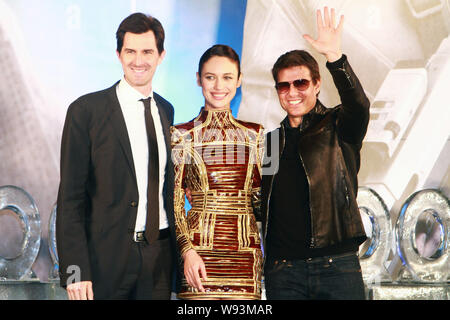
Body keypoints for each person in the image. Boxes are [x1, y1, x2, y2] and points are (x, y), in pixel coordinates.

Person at [56, 13, 177, 300]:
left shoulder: (166, 110)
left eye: (147, 51)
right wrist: (75, 272)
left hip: (158, 261)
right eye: (130, 51)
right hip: (104, 264)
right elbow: (70, 199)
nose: (138, 60)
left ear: (161, 55)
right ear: (118, 55)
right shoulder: (85, 111)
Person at [260, 7, 370, 300]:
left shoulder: (338, 125)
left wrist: (335, 58)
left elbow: (359, 105)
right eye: (284, 85)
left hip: (337, 266)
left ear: (317, 85)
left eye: (301, 83)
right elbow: (263, 201)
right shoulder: (270, 141)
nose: (292, 91)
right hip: (283, 270)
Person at [171, 45, 264, 299]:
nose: (218, 86)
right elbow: (175, 201)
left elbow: (262, 201)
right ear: (199, 79)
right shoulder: (180, 135)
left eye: (227, 77)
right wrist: (186, 251)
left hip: (246, 254)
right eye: (210, 77)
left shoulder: (256, 135)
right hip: (198, 253)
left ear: (239, 80)